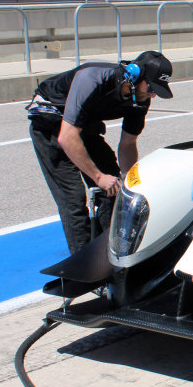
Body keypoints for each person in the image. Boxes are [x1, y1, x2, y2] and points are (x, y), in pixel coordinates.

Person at [27, 51, 173, 254]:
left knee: (114, 188)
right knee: (74, 201)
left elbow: (128, 144)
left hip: (84, 125)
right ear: (134, 75)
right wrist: (97, 176)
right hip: (50, 123)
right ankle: (84, 264)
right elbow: (66, 137)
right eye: (151, 87)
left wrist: (129, 180)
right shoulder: (92, 79)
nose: (153, 94)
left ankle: (110, 253)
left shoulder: (140, 99)